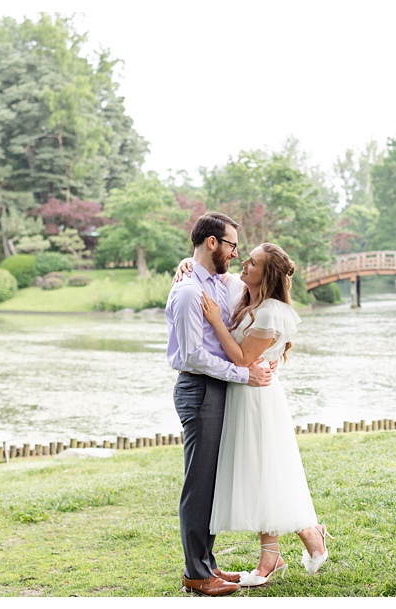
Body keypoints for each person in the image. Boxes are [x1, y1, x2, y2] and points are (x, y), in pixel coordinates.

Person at [196, 242, 333, 587]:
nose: (244, 263)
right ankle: (289, 544)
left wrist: (215, 322)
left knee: (265, 471)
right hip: (244, 394)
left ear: (267, 274)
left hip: (258, 398)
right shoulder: (248, 297)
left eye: (252, 262)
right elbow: (204, 266)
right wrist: (186, 264)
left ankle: (283, 549)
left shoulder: (271, 310)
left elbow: (242, 358)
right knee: (259, 474)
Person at [165, 212, 276, 597]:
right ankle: (196, 573)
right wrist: (246, 375)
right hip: (199, 389)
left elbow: (265, 282)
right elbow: (194, 356)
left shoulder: (214, 282)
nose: (235, 253)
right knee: (198, 484)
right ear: (212, 242)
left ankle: (208, 564)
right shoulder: (187, 293)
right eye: (231, 245)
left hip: (216, 389)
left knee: (210, 483)